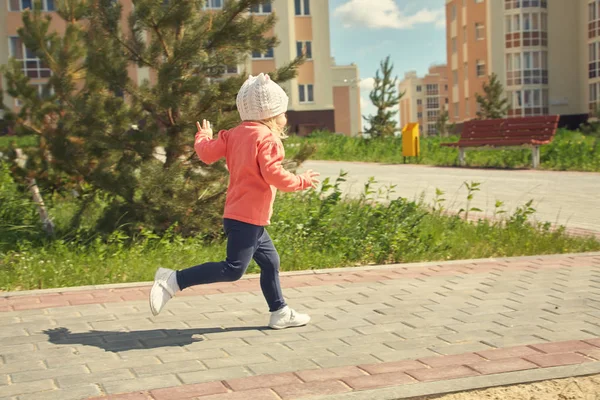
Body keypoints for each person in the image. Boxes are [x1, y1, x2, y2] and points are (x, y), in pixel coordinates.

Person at [149, 73, 320, 329]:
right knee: (233, 269)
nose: (286, 117)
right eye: (283, 112)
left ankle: (279, 311)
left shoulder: (235, 134)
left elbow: (206, 154)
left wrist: (203, 137)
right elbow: (274, 175)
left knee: (270, 262)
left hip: (239, 213)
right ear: (271, 114)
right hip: (247, 216)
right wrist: (302, 181)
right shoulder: (267, 138)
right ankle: (173, 280)